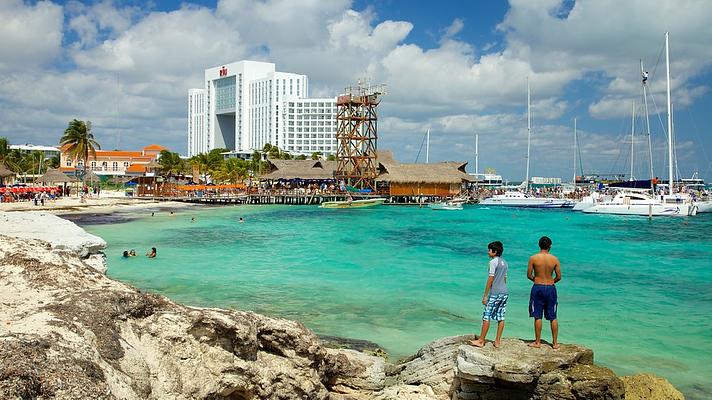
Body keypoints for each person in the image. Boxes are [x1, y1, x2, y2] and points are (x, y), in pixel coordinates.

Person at [469, 241, 509, 348]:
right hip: (504, 292)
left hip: (495, 292)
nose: (488, 252)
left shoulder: (493, 262)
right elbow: (504, 279)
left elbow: (490, 279)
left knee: (486, 315)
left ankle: (481, 341)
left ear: (494, 252)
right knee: (501, 316)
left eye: (489, 250)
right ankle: (497, 341)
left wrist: (486, 295)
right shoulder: (505, 263)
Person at [527, 236, 561, 349]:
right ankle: (555, 343)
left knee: (537, 316)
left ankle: (537, 342)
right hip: (551, 288)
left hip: (538, 287)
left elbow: (529, 275)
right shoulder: (555, 259)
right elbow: (559, 277)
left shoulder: (533, 258)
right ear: (550, 246)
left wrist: (536, 280)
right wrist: (551, 281)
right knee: (553, 316)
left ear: (539, 245)